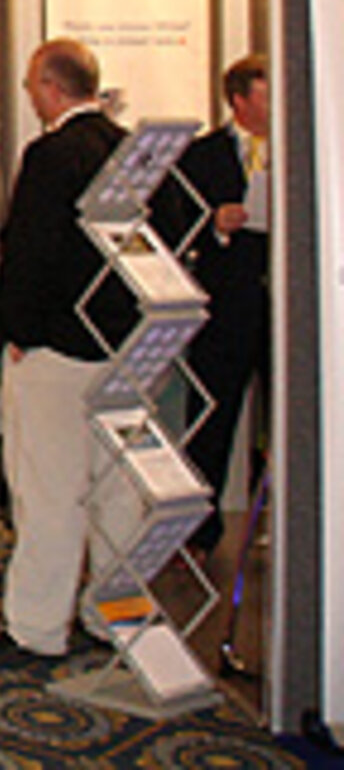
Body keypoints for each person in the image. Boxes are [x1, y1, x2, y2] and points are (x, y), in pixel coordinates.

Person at [0, 39, 133, 667]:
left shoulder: (51, 155)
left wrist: (9, 337)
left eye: (34, 85)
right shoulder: (128, 150)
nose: (32, 96)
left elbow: (29, 256)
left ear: (51, 87)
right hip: (123, 344)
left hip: (54, 349)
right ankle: (110, 614)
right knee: (116, 491)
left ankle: (37, 626)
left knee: (49, 491)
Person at [157, 53, 270, 553]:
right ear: (239, 100)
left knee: (290, 419)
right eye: (265, 97)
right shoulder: (201, 156)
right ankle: (198, 534)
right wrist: (214, 225)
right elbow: (175, 226)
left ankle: (285, 522)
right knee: (211, 424)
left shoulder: (299, 149)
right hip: (226, 308)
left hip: (286, 313)